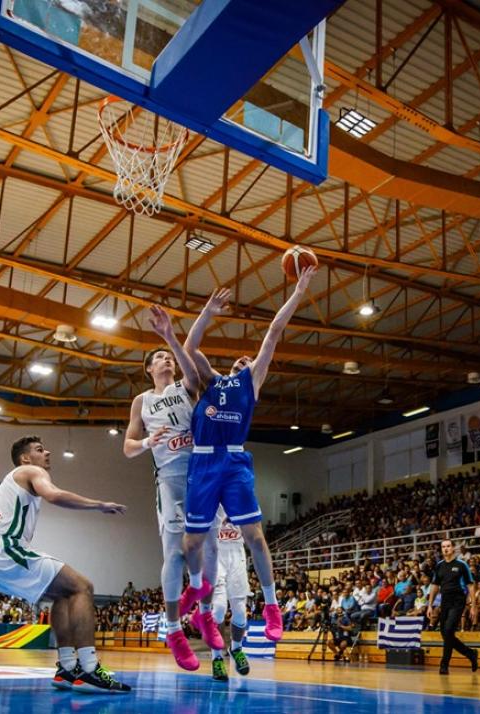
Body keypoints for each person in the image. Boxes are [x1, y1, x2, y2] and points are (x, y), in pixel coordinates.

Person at [150, 266, 316, 642]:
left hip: (235, 461)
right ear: (229, 366)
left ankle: (271, 607)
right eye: (239, 361)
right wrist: (207, 313)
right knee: (192, 543)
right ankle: (197, 589)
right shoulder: (210, 380)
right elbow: (190, 348)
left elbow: (274, 330)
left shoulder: (251, 382)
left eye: (248, 361)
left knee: (255, 536)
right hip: (203, 460)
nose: (243, 361)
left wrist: (299, 292)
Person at [0, 435, 131, 694]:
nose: (47, 452)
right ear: (25, 458)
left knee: (62, 595)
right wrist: (99, 505)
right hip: (5, 549)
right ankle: (90, 669)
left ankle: (67, 667)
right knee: (82, 587)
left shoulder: (7, 486)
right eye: (39, 449)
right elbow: (54, 495)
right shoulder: (30, 470)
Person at [123, 317, 223, 671]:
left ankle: (204, 613)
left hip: (202, 473)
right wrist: (147, 442)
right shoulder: (142, 401)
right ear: (149, 369)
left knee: (211, 548)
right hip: (170, 478)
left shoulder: (186, 386)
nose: (167, 360)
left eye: (169, 357)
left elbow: (192, 370)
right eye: (160, 358)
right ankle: (172, 628)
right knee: (174, 554)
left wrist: (170, 337)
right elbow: (128, 447)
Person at [209, 510, 252, 682]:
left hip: (237, 552)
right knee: (219, 609)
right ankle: (216, 658)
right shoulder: (209, 496)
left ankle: (236, 648)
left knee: (240, 611)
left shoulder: (239, 496)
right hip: (215, 552)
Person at [427, 540, 479, 674]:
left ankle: (444, 665)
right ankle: (470, 653)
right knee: (445, 633)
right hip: (445, 601)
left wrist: (473, 606)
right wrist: (430, 605)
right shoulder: (439, 566)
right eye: (443, 547)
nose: (446, 549)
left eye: (448, 546)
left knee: (449, 630)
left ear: (453, 548)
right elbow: (435, 586)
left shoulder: (461, 565)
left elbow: (470, 585)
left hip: (458, 600)